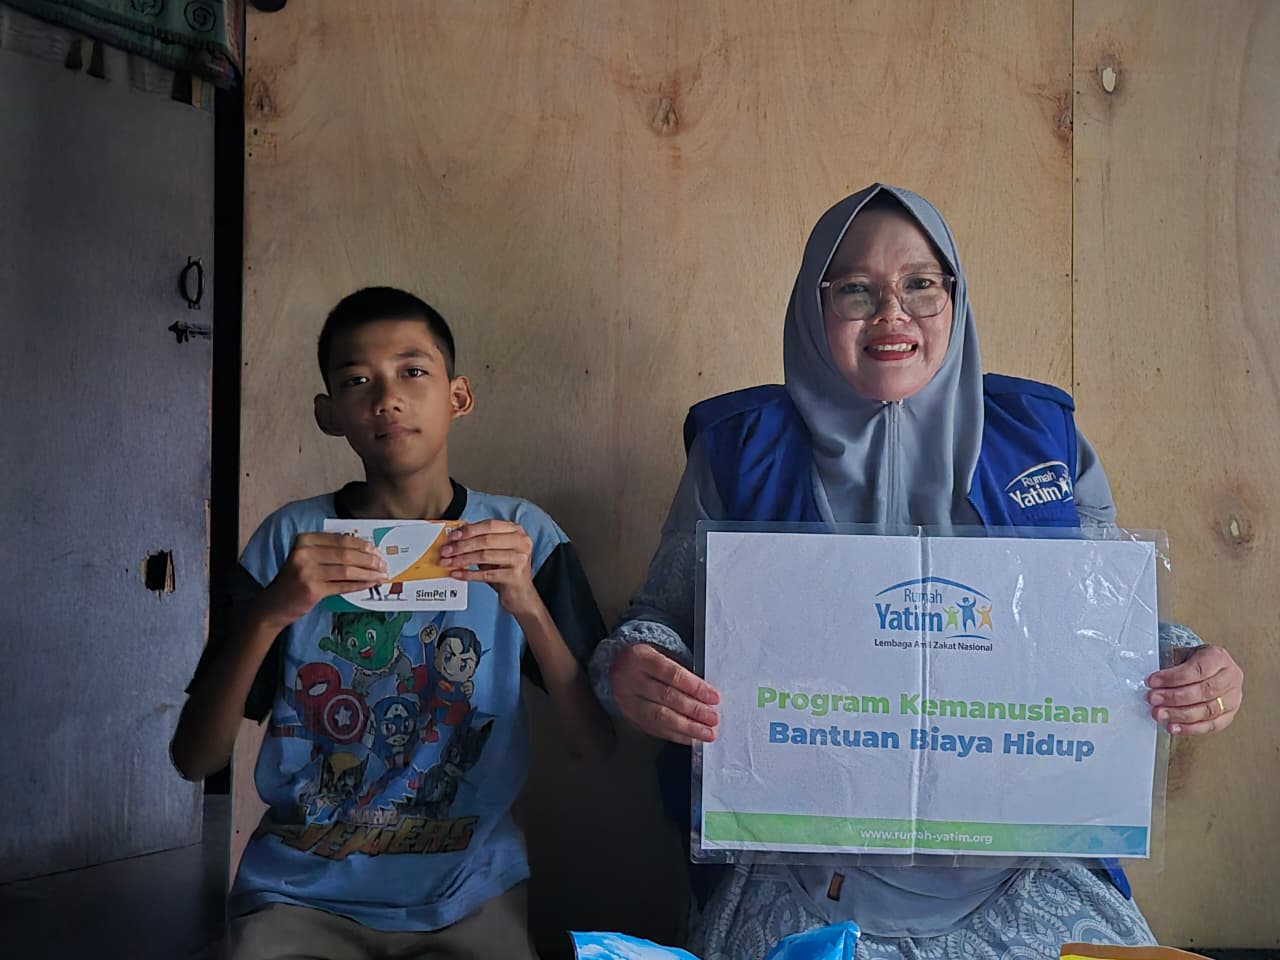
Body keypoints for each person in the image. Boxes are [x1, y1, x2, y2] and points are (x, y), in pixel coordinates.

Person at [590, 185, 1244, 960]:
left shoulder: (1042, 439)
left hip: (1022, 867)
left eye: (920, 284)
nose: (891, 314)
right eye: (856, 290)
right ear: (813, 305)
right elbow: (660, 623)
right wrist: (634, 670)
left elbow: (1104, 637)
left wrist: (1186, 665)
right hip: (801, 868)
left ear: (954, 299)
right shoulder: (739, 449)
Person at [172, 286, 614, 959]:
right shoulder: (290, 541)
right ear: (328, 413)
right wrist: (269, 613)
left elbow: (596, 744)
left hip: (467, 893)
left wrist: (526, 603)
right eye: (357, 380)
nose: (387, 399)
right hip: (300, 892)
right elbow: (194, 758)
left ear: (458, 396)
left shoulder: (522, 536)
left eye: (412, 371)